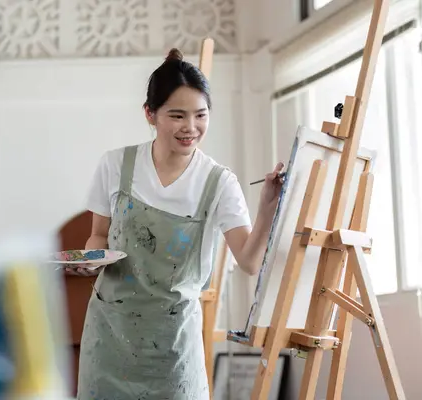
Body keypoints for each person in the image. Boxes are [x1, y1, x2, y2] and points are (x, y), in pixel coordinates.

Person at [73, 48, 284, 400]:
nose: (190, 128)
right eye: (177, 115)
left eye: (200, 115)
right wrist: (91, 257)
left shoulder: (219, 183)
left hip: (172, 351)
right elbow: (98, 234)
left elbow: (248, 261)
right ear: (150, 115)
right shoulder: (114, 166)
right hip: (109, 340)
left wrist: (266, 208)